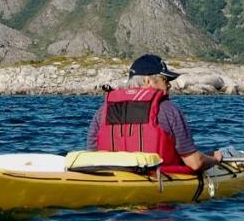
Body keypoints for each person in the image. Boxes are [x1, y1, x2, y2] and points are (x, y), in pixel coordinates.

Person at [86, 54, 223, 174]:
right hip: (158, 184)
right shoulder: (168, 110)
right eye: (165, 80)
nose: (169, 85)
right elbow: (195, 163)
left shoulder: (102, 111)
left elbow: (92, 157)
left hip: (112, 181)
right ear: (147, 81)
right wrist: (215, 159)